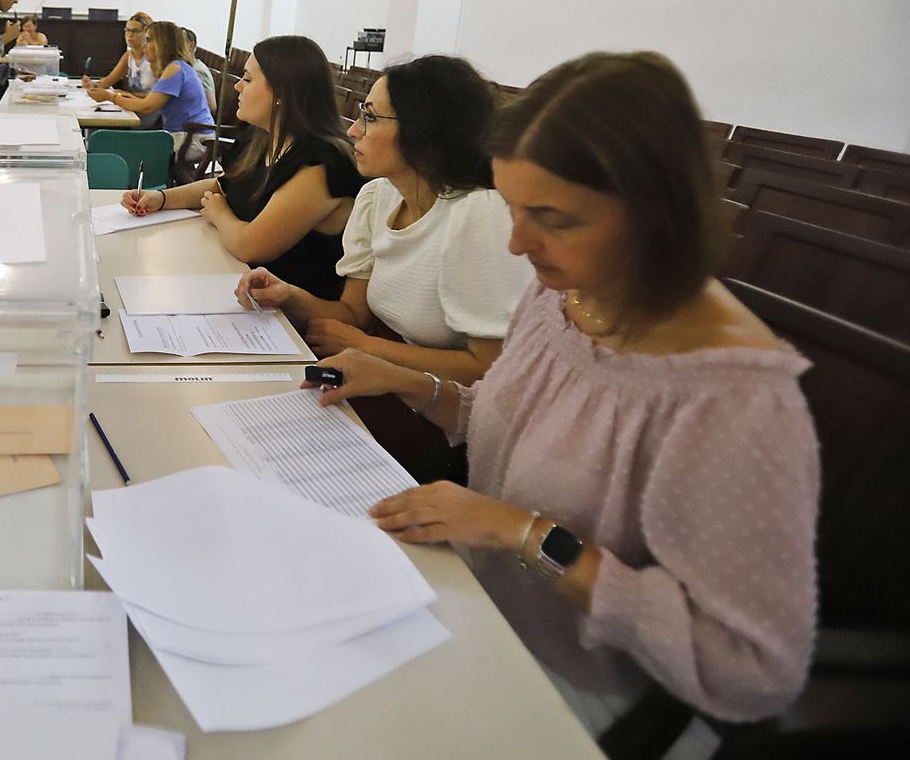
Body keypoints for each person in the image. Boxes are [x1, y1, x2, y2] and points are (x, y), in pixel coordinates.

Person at [309, 51, 818, 745]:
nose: (518, 244)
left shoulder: (732, 396)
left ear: (655, 211)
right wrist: (407, 381)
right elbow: (506, 425)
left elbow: (751, 669)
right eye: (514, 208)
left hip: (572, 684)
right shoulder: (565, 296)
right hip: (473, 606)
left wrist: (521, 531)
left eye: (552, 217)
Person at [238, 55, 532, 381]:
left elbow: (487, 369)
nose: (352, 130)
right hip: (380, 374)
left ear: (424, 131)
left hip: (438, 408)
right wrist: (290, 295)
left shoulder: (480, 214)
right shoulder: (378, 196)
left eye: (370, 117)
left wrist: (367, 347)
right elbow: (353, 314)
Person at [124, 36, 358, 298]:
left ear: (281, 92)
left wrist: (219, 213)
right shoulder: (263, 137)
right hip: (241, 283)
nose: (237, 87)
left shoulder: (321, 162)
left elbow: (250, 246)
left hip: (287, 316)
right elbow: (222, 184)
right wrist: (161, 198)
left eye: (247, 79)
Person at [90, 20, 214, 154]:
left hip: (193, 140)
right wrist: (123, 96)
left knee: (117, 147)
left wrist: (111, 97)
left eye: (148, 40)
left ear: (163, 43)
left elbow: (147, 107)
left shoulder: (175, 68)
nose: (144, 46)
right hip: (183, 136)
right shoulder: (175, 67)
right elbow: (150, 100)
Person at [84, 11, 155, 96]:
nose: (130, 35)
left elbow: (158, 97)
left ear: (146, 33)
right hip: (135, 106)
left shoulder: (154, 57)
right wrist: (93, 84)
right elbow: (108, 81)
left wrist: (126, 95)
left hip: (150, 107)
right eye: (127, 30)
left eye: (135, 31)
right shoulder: (129, 55)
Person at [181, 26, 217, 113]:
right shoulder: (184, 67)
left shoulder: (197, 71)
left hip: (192, 122)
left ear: (191, 46)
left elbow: (212, 106)